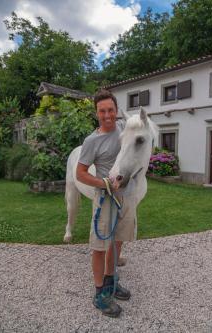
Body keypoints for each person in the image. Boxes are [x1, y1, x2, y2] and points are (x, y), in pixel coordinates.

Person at [76, 89, 134, 318]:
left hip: (125, 196)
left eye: (111, 110)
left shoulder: (124, 131)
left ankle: (112, 282)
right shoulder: (92, 141)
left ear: (116, 110)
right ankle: (100, 294)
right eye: (102, 111)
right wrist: (103, 183)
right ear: (96, 113)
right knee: (99, 248)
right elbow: (80, 173)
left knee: (118, 242)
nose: (107, 115)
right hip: (105, 198)